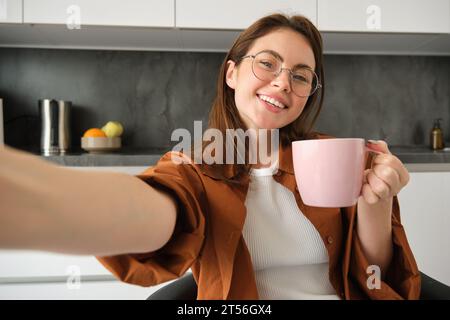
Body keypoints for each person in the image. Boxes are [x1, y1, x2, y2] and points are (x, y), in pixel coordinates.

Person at [0, 14, 420, 300]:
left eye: (300, 76)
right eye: (268, 64)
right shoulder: (196, 166)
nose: (283, 83)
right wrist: (57, 202)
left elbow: (376, 275)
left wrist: (377, 201)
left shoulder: (334, 156)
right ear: (232, 73)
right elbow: (160, 207)